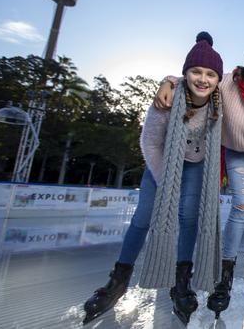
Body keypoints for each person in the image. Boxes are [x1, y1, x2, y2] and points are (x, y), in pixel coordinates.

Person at [83, 32, 224, 325]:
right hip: (163, 162)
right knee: (144, 216)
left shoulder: (219, 104)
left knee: (188, 218)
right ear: (185, 73)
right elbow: (150, 142)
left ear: (217, 80)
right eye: (196, 71)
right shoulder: (168, 98)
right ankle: (119, 279)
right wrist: (166, 182)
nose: (203, 79)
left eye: (211, 74)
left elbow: (240, 77)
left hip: (197, 165)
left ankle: (181, 280)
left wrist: (168, 77)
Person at [154, 33, 244, 318]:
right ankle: (225, 274)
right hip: (237, 152)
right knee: (241, 206)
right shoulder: (230, 84)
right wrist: (166, 82)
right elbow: (201, 79)